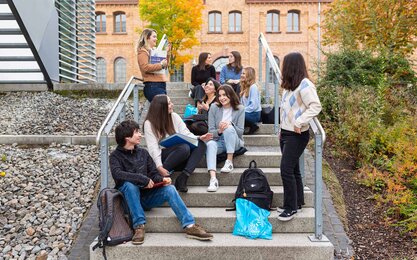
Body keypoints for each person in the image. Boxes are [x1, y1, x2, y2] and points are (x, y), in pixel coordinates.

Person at [109, 120, 213, 244]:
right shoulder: (115, 156)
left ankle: (190, 226)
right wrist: (143, 179)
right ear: (127, 137)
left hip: (147, 198)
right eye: (136, 132)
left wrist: (162, 179)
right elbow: (118, 174)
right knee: (129, 185)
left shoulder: (143, 153)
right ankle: (139, 226)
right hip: (128, 201)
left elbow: (153, 173)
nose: (140, 135)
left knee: (170, 189)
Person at [277, 52, 322, 221]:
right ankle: (297, 202)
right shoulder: (290, 87)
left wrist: (300, 121)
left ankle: (290, 208)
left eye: (284, 65)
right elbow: (286, 111)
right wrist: (282, 128)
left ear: (291, 66)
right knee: (294, 170)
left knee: (286, 169)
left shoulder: (305, 85)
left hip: (298, 134)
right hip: (286, 133)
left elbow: (315, 106)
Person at [143, 94, 212, 193]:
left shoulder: (174, 116)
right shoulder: (149, 123)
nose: (172, 105)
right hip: (164, 158)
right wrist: (159, 167)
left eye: (171, 102)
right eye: (169, 103)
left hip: (180, 156)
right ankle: (162, 176)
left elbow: (185, 133)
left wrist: (199, 137)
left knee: (201, 144)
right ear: (161, 107)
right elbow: (153, 148)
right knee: (184, 148)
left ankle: (183, 177)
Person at [205, 84, 245, 192]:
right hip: (220, 141)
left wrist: (230, 124)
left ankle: (229, 161)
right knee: (210, 144)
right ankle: (213, 179)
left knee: (229, 127)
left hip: (235, 141)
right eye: (220, 95)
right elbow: (210, 131)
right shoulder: (214, 107)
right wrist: (219, 131)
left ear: (231, 95)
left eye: (224, 95)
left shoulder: (240, 109)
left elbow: (241, 132)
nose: (222, 98)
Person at [137, 28, 169, 102]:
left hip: (160, 84)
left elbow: (165, 66)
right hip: (153, 86)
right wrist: (161, 65)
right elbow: (145, 67)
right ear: (147, 38)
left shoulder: (155, 51)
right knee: (163, 110)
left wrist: (167, 53)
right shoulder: (143, 51)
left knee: (162, 111)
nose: (156, 39)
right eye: (154, 37)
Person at [240, 67, 262, 134]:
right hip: (247, 112)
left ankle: (253, 126)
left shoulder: (253, 87)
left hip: (254, 114)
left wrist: (242, 110)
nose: (241, 75)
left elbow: (254, 106)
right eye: (241, 73)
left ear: (249, 75)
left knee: (237, 113)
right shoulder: (245, 87)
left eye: (243, 73)